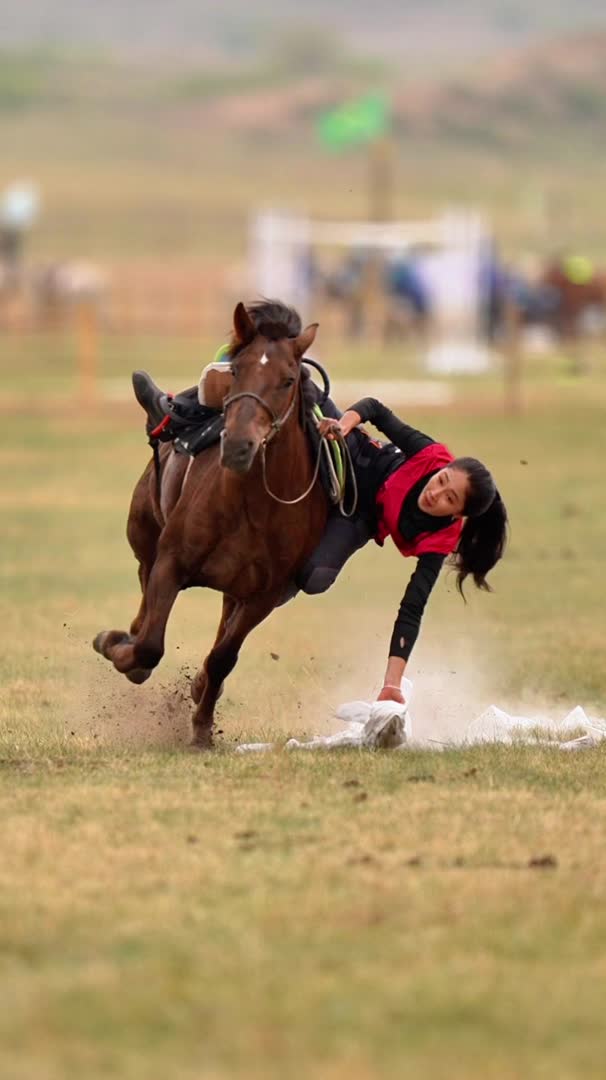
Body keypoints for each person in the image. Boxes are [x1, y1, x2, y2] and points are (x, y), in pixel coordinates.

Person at [132, 308, 508, 707]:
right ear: (443, 467)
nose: (436, 493)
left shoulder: (438, 539)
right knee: (282, 390)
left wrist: (392, 683)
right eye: (442, 481)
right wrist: (344, 425)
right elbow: (376, 410)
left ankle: (258, 592)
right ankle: (170, 411)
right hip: (350, 449)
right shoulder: (431, 456)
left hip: (357, 517)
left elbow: (411, 610)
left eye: (449, 498)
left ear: (458, 515)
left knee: (314, 578)